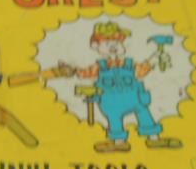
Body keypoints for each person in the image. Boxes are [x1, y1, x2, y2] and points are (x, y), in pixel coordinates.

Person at [73, 21, 182, 153]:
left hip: (134, 99)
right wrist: (74, 70)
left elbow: (141, 70)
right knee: (115, 120)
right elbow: (84, 73)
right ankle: (119, 142)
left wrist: (154, 59)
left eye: (118, 42)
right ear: (95, 46)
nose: (113, 46)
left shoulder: (129, 64)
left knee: (144, 113)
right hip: (111, 102)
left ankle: (154, 138)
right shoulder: (99, 67)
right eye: (107, 42)